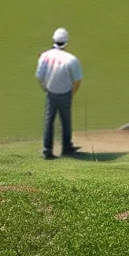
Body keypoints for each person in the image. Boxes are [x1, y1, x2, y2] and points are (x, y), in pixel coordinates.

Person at [35, 27, 83, 159]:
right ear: (66, 42)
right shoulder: (71, 60)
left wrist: (44, 87)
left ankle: (47, 149)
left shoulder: (45, 55)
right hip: (65, 93)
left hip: (51, 92)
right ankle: (66, 147)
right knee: (66, 121)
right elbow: (77, 80)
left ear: (54, 40)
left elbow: (39, 76)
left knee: (48, 121)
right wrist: (72, 93)